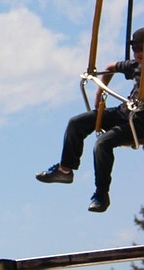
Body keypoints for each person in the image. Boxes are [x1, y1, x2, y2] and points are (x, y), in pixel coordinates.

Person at [36, 27, 144, 213]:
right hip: (125, 112)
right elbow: (110, 67)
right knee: (76, 123)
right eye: (136, 48)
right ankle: (65, 170)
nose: (139, 53)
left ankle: (101, 195)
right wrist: (100, 90)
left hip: (141, 122)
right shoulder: (135, 65)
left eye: (143, 48)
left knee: (103, 143)